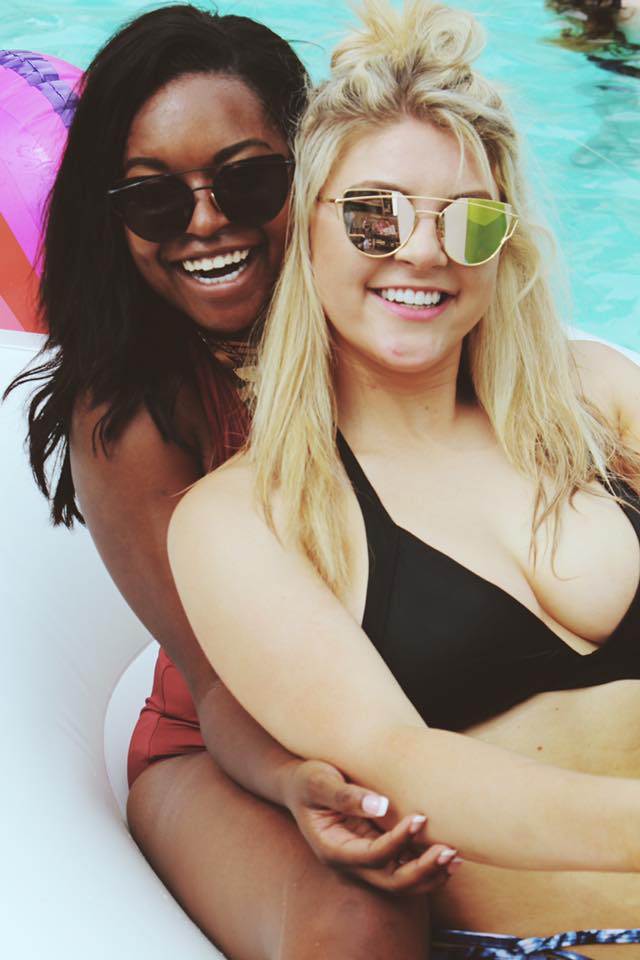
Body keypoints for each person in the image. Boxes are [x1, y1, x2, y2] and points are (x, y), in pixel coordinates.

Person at [168, 0, 640, 957]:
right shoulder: (246, 519)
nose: (423, 249)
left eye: (469, 221)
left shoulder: (597, 396)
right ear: (304, 231)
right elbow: (403, 767)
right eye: (373, 215)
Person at [4, 5, 455, 959]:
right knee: (361, 922)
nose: (206, 223)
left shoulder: (399, 318)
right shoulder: (134, 416)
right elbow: (216, 681)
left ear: (315, 172)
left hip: (427, 703)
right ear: (113, 220)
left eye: (248, 181)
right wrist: (297, 784)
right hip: (226, 749)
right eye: (155, 202)